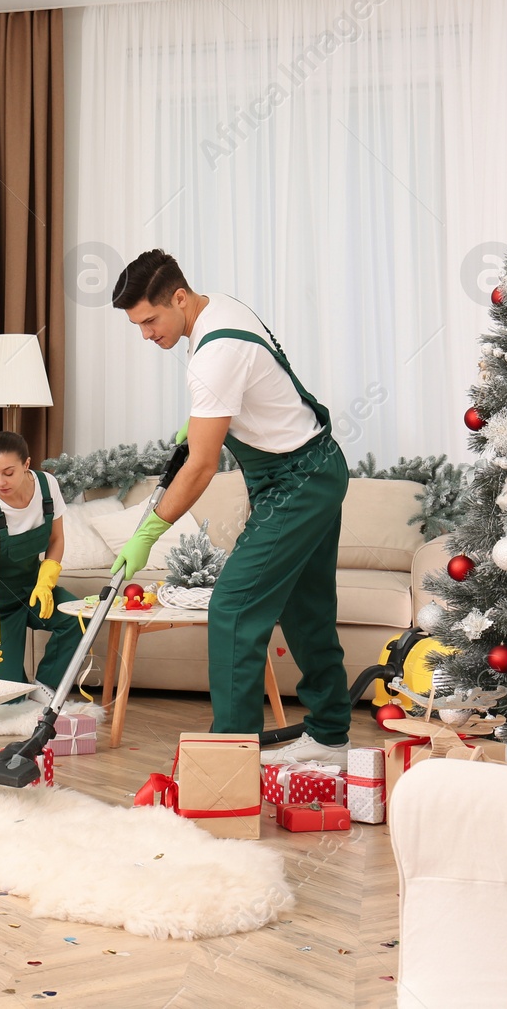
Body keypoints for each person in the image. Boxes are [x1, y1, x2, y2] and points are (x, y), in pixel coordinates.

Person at [110, 250, 350, 764]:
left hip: (297, 481)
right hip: (317, 466)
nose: (147, 335)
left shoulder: (212, 358)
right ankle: (331, 735)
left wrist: (147, 532)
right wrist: (203, 417)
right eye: (137, 325)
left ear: (179, 298)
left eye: (150, 320)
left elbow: (199, 467)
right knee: (306, 610)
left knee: (234, 609)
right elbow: (247, 391)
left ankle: (228, 759)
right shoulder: (220, 307)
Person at [0, 431, 85, 703]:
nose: (0, 482)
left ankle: (45, 686)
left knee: (79, 618)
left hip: (32, 591)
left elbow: (56, 539)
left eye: (8, 472)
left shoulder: (47, 486)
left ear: (26, 464)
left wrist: (46, 582)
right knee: (8, 698)